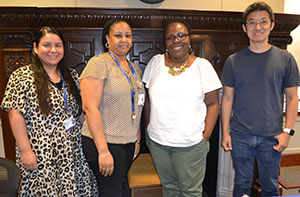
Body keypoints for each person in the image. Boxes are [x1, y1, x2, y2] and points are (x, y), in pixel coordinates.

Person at [0, 26, 98, 196]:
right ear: (36, 48)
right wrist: (25, 150)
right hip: (40, 151)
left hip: (73, 150)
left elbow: (79, 112)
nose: (53, 50)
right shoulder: (21, 76)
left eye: (58, 45)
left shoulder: (71, 75)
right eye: (47, 45)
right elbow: (14, 113)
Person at [221, 2, 300, 197]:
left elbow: (292, 98)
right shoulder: (233, 61)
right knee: (241, 185)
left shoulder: (285, 59)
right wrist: (225, 132)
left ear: (271, 25)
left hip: (272, 135)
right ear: (244, 28)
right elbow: (227, 99)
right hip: (240, 135)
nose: (258, 27)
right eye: (252, 23)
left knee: (270, 187)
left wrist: (287, 132)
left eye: (263, 22)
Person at [142, 20, 222, 197]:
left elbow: (213, 103)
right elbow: (147, 100)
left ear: (189, 39)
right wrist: (148, 129)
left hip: (191, 144)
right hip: (158, 143)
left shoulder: (202, 66)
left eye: (181, 35)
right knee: (169, 189)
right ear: (165, 42)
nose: (176, 40)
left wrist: (205, 136)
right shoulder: (155, 62)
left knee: (190, 192)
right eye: (170, 37)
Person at [80, 18, 145, 196]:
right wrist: (102, 151)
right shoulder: (99, 63)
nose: (124, 40)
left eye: (128, 36)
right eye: (118, 35)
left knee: (122, 189)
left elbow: (136, 107)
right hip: (105, 142)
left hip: (128, 143)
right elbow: (90, 108)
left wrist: (137, 139)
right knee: (112, 192)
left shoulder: (134, 69)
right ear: (107, 39)